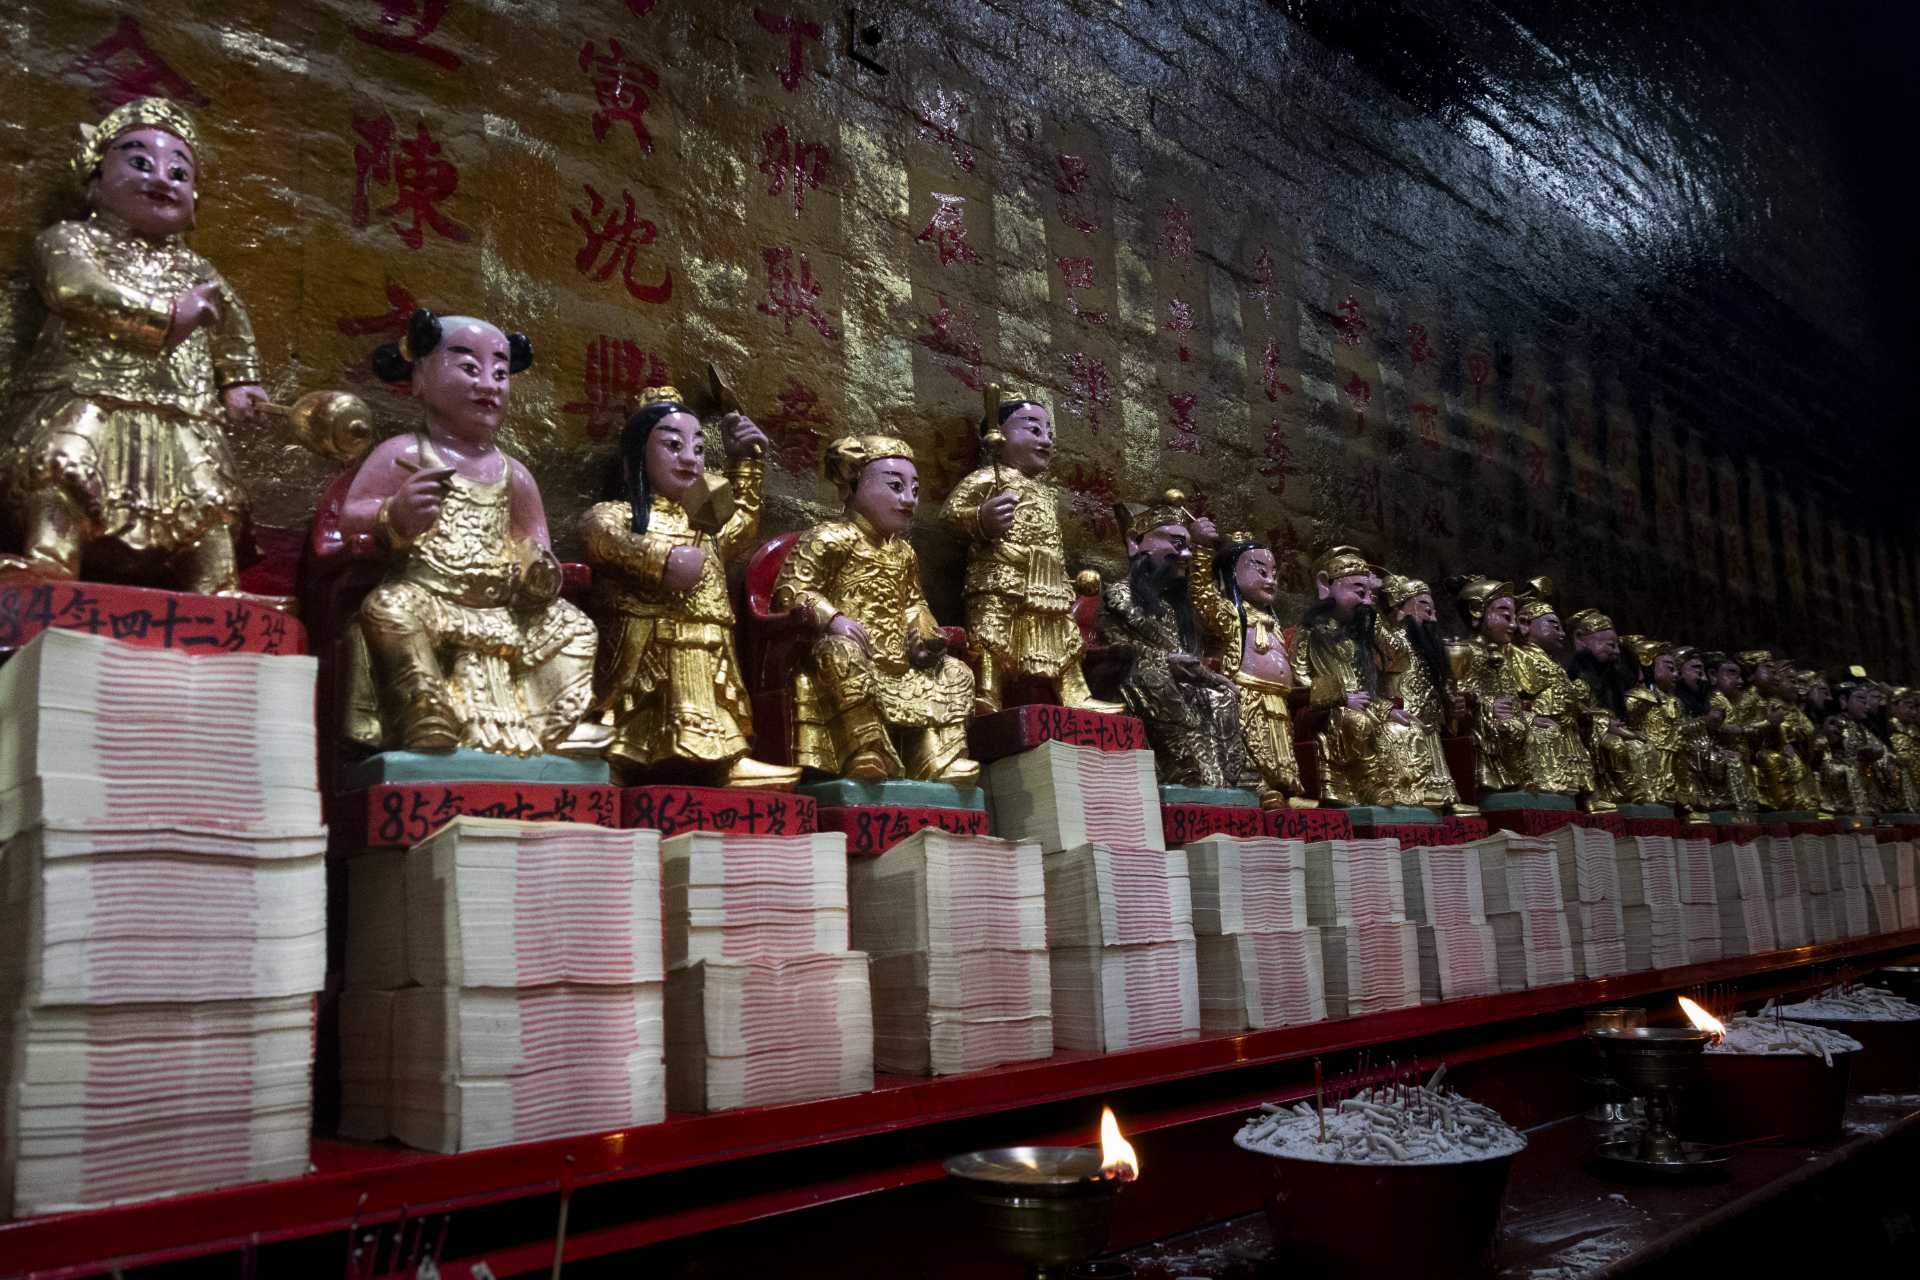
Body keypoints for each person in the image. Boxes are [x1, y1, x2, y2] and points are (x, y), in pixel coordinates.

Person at [2, 98, 268, 592]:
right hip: (86, 394)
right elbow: (74, 289)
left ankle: (216, 586)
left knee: (210, 496)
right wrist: (168, 317)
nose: (162, 178)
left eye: (179, 172)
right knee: (63, 465)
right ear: (95, 180)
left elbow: (232, 325)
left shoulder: (197, 269)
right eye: (140, 162)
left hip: (181, 411)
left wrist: (240, 379)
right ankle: (51, 559)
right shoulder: (71, 240)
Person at [338, 309, 604, 758]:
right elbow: (351, 517)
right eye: (468, 367)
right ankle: (424, 709)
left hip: (503, 610)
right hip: (430, 597)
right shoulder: (404, 453)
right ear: (421, 378)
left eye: (500, 373)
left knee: (577, 627)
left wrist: (537, 568)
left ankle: (555, 723)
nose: (489, 383)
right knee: (388, 609)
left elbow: (535, 541)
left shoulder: (513, 474)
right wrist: (395, 514)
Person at [580, 388, 800, 787]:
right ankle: (619, 754)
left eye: (698, 449)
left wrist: (746, 461)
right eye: (673, 445)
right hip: (643, 640)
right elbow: (600, 537)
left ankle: (727, 757)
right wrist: (661, 560)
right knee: (644, 688)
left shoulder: (707, 527)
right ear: (637, 455)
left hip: (708, 638)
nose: (688, 457)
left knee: (706, 659)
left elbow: (744, 522)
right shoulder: (617, 515)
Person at [773, 435, 978, 783]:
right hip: (850, 653)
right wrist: (832, 618)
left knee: (956, 671)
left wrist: (923, 629)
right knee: (839, 654)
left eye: (914, 489)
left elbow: (914, 601)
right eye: (896, 486)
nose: (908, 499)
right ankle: (866, 750)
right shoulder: (829, 538)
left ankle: (937, 758)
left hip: (899, 661)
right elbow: (791, 591)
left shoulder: (904, 553)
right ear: (853, 486)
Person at [939, 386, 1115, 714]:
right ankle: (988, 690)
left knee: (1061, 631)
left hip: (1046, 576)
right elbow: (950, 515)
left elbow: (1052, 541)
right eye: (1034, 430)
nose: (1046, 440)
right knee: (991, 629)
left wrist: (1072, 578)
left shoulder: (1044, 494)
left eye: (1049, 433)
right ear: (998, 436)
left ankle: (1075, 692)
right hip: (1000, 572)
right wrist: (982, 518)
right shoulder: (988, 478)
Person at [1097, 490, 1242, 788]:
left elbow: (1190, 657)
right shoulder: (1120, 595)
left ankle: (1227, 781)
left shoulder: (1174, 609)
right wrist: (1165, 661)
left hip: (1182, 681)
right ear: (1136, 542)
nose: (1186, 555)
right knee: (1153, 677)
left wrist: (1211, 678)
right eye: (1177, 544)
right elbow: (1115, 647)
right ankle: (1185, 773)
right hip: (1136, 679)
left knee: (1222, 694)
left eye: (1188, 547)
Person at [1191, 528, 1304, 808]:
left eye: (1274, 572)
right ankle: (1259, 788)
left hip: (1277, 697)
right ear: (1231, 573)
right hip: (1246, 692)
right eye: (1261, 571)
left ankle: (1285, 790)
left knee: (1280, 749)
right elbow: (1202, 594)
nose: (1271, 579)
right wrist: (1203, 549)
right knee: (1253, 744)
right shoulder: (1229, 613)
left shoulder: (1271, 620)